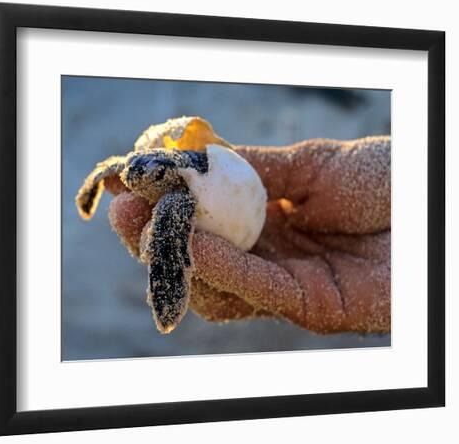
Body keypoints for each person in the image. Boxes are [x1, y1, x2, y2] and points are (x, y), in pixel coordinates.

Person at [104, 136, 390, 335]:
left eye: (152, 177)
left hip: (238, 211)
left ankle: (168, 302)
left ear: (168, 174)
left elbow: (173, 187)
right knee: (131, 205)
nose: (136, 183)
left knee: (168, 229)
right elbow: (134, 167)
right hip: (241, 214)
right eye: (133, 176)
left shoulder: (178, 199)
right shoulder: (149, 168)